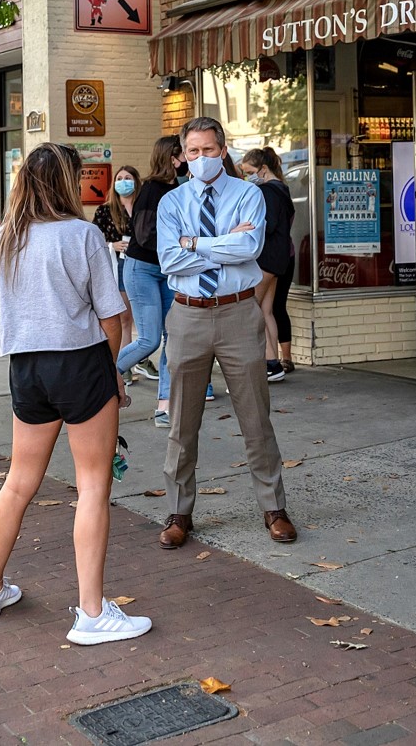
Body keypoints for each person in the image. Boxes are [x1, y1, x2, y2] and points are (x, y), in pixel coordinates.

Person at [0, 144, 151, 645]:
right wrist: (113, 372)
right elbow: (111, 315)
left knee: (18, 481)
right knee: (93, 485)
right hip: (80, 363)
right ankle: (92, 614)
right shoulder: (83, 235)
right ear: (66, 183)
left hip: (26, 369)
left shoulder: (3, 239)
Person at [155, 117, 296, 549]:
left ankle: (274, 508)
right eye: (192, 152)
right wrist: (219, 247)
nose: (201, 159)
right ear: (182, 155)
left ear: (223, 149)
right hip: (188, 316)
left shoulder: (248, 193)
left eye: (209, 150)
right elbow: (168, 261)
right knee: (182, 422)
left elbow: (249, 248)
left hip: (238, 314)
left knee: (256, 417)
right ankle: (180, 513)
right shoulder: (171, 203)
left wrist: (193, 243)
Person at [116, 137, 181, 428]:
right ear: (170, 157)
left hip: (168, 271)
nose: (188, 160)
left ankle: (164, 406)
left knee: (174, 338)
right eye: (184, 154)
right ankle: (102, 377)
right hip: (142, 268)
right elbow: (144, 236)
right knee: (149, 339)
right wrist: (184, 244)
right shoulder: (152, 189)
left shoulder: (179, 188)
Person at [239, 147, 296, 382]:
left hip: (266, 258)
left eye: (250, 172)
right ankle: (275, 366)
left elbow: (267, 224)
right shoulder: (282, 189)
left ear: (263, 169)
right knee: (266, 311)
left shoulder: (267, 192)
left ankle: (270, 363)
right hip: (279, 259)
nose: (247, 177)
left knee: (251, 311)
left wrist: (244, 226)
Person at [93, 165, 139, 352]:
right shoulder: (105, 211)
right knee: (124, 317)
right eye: (119, 179)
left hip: (143, 263)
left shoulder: (142, 207)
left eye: (128, 178)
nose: (123, 182)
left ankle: (140, 358)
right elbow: (95, 241)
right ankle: (124, 362)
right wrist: (113, 245)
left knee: (143, 318)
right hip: (118, 264)